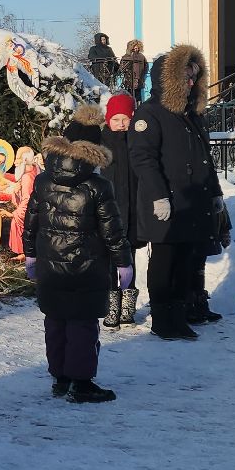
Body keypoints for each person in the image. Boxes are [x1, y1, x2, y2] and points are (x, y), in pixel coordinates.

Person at [22, 105, 131, 404]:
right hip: (87, 269)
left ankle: (60, 378)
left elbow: (30, 222)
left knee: (55, 320)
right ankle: (81, 384)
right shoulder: (98, 187)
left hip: (50, 268)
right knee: (83, 324)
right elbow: (112, 231)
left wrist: (31, 255)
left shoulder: (43, 181)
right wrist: (123, 262)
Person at [128, 44, 223, 341]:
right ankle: (162, 317)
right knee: (164, 259)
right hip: (165, 202)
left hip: (191, 202)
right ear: (169, 79)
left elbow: (205, 158)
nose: (191, 83)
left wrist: (215, 192)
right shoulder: (149, 113)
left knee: (185, 259)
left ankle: (179, 314)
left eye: (195, 76)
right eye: (186, 76)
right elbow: (143, 158)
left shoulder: (191, 115)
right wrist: (158, 196)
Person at [100, 93, 142, 329]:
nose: (121, 124)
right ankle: (111, 306)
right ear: (108, 119)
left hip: (132, 210)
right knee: (109, 261)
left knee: (130, 260)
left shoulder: (136, 140)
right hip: (109, 212)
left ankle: (127, 308)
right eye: (116, 119)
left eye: (125, 118)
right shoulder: (102, 141)